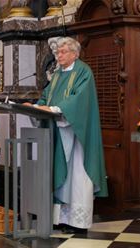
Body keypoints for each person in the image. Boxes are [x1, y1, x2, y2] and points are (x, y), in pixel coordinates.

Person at [24, 37, 108, 234]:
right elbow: (47, 96)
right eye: (57, 53)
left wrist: (52, 108)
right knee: (61, 177)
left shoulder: (83, 72)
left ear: (74, 54)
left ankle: (77, 223)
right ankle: (60, 218)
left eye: (62, 52)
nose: (58, 56)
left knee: (76, 178)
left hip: (76, 134)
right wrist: (35, 106)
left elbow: (78, 100)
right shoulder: (58, 75)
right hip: (58, 133)